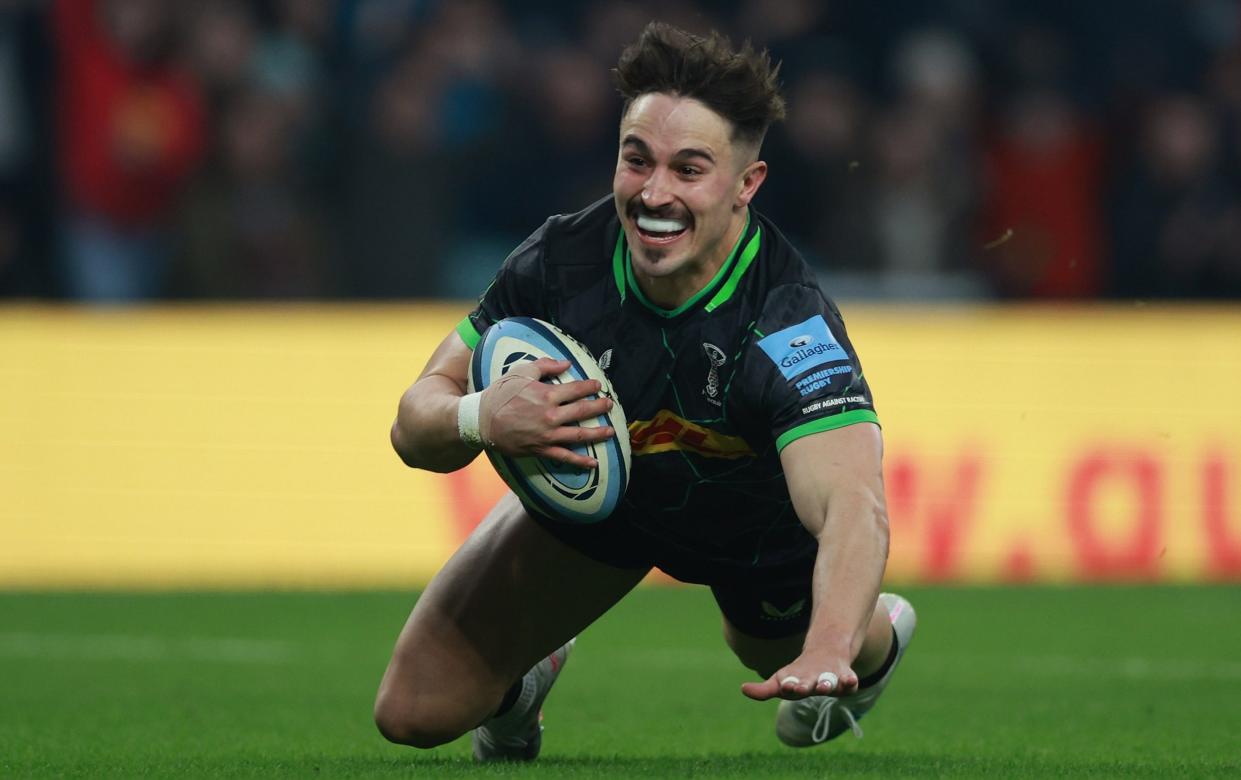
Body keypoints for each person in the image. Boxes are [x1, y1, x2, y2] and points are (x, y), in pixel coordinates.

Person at [375, 22, 916, 760]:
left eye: (688, 170)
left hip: (754, 536)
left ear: (744, 185)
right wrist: (478, 414)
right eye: (637, 161)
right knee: (411, 713)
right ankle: (523, 685)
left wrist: (828, 648)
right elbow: (415, 420)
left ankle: (874, 641)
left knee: (777, 648)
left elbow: (853, 503)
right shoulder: (562, 260)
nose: (653, 194)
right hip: (607, 505)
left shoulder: (787, 321)